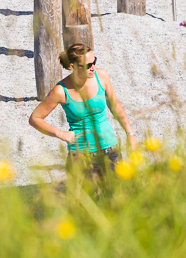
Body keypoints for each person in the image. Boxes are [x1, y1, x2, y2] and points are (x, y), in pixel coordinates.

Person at [28, 43, 132, 180]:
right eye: (88, 65)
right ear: (73, 67)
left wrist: (130, 133)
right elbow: (35, 118)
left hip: (110, 151)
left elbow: (115, 105)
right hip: (81, 157)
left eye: (94, 62)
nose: (93, 67)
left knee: (120, 191)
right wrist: (60, 134)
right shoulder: (61, 91)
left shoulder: (101, 76)